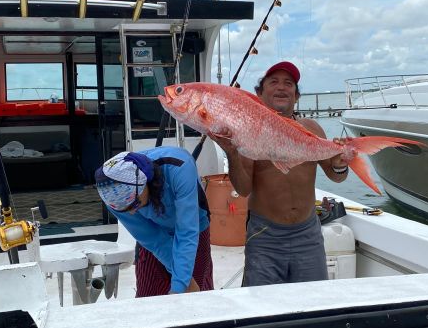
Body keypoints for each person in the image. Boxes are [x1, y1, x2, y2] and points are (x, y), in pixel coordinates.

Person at [209, 61, 348, 286]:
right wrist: (232, 153)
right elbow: (243, 190)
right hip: (265, 237)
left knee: (313, 303)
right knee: (261, 306)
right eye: (273, 82)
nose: (281, 87)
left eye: (289, 83)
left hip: (308, 235)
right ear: (259, 93)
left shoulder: (312, 128)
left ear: (296, 96)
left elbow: (337, 176)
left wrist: (341, 163)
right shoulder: (248, 131)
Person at [95, 147, 213, 296]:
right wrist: (184, 280)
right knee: (148, 296)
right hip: (155, 230)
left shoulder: (180, 167)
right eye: (125, 210)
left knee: (197, 296)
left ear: (145, 182)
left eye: (135, 204)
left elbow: (186, 232)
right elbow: (154, 239)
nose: (132, 212)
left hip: (193, 228)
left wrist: (180, 284)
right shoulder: (112, 198)